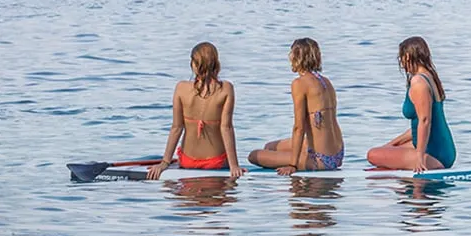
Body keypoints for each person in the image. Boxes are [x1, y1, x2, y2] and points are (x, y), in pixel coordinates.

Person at [148, 42, 246, 179]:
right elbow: (226, 128)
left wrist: (165, 162)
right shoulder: (226, 88)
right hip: (216, 161)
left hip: (187, 161)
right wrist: (234, 165)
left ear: (194, 64)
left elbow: (177, 127)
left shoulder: (181, 88)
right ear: (216, 64)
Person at [248, 37, 345, 174]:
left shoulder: (299, 84)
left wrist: (292, 165)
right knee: (270, 146)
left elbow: (299, 127)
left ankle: (297, 160)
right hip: (337, 155)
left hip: (320, 160)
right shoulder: (326, 82)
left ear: (295, 57)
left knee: (254, 155)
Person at [365, 36, 456, 171]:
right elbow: (419, 125)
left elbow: (425, 120)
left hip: (434, 154)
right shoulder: (431, 77)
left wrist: (419, 156)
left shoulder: (418, 82)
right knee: (384, 155)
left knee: (372, 155)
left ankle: (397, 178)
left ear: (407, 56)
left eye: (401, 58)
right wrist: (390, 145)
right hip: (444, 149)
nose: (401, 63)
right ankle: (394, 179)